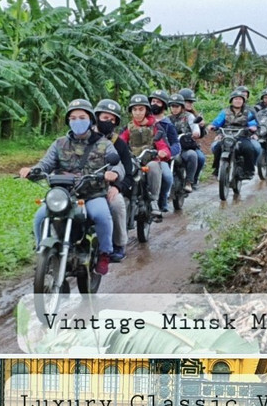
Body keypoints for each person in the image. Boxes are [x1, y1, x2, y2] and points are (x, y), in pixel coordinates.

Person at [19, 98, 119, 275]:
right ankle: (42, 253)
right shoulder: (59, 143)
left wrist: (114, 173)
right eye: (73, 118)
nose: (77, 121)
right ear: (68, 121)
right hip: (62, 195)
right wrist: (32, 171)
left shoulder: (104, 144)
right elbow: (45, 163)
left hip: (92, 195)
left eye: (82, 117)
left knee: (102, 215)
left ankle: (105, 253)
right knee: (40, 216)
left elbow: (116, 164)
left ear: (90, 120)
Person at [119, 93, 171, 223]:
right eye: (134, 109)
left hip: (150, 161)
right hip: (132, 161)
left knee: (154, 167)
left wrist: (163, 152)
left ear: (146, 110)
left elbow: (163, 145)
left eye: (141, 109)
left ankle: (154, 200)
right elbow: (120, 142)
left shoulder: (155, 127)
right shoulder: (128, 127)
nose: (137, 113)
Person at [93, 98, 132, 263]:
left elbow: (127, 171)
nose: (107, 122)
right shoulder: (81, 139)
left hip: (108, 186)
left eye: (111, 119)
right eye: (104, 118)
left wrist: (117, 187)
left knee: (116, 203)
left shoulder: (119, 144)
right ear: (96, 117)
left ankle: (118, 244)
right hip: (82, 184)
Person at [209, 90, 260, 181]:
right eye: (236, 99)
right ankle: (217, 169)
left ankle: (248, 171)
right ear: (232, 100)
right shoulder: (225, 112)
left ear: (243, 101)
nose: (238, 101)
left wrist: (253, 127)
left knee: (249, 149)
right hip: (227, 135)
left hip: (242, 136)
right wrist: (212, 126)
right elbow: (217, 122)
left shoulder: (248, 112)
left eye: (240, 99)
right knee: (217, 147)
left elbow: (252, 123)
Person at [147, 89, 181, 215]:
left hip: (159, 158)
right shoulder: (143, 121)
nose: (154, 104)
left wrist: (167, 153)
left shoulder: (168, 124)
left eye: (158, 102)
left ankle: (162, 201)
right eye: (153, 101)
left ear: (164, 105)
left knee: (167, 177)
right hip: (141, 156)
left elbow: (176, 144)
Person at [167, 93, 202, 194]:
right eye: (172, 106)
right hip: (170, 148)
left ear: (181, 106)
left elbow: (195, 126)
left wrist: (196, 132)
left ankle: (189, 182)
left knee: (192, 155)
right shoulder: (167, 118)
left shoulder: (189, 116)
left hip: (184, 148)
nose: (174, 109)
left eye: (176, 106)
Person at [179, 88, 208, 186]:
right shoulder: (172, 115)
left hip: (190, 145)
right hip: (176, 144)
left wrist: (202, 127)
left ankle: (193, 179)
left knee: (200, 158)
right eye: (187, 101)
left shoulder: (194, 116)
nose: (189, 104)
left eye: (191, 102)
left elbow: (202, 135)